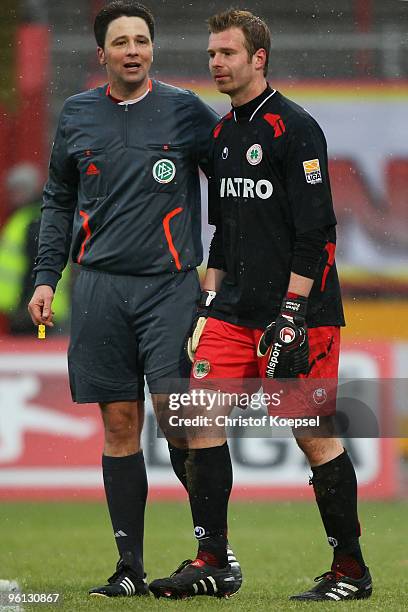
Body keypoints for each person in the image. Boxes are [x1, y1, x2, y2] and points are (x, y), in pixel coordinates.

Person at [149, 9, 372, 602]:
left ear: (258, 58)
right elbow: (220, 231)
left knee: (312, 434)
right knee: (196, 424)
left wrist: (293, 314)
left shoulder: (295, 129)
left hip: (297, 315)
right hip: (232, 312)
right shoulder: (221, 136)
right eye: (212, 54)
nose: (216, 63)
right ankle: (213, 561)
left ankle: (350, 570)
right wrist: (209, 301)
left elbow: (317, 233)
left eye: (227, 54)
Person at [27, 0, 243, 599]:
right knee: (119, 424)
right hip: (97, 287)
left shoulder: (185, 112)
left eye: (141, 41)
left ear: (152, 49)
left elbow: (229, 194)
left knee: (180, 421)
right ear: (102, 55)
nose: (132, 50)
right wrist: (46, 277)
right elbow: (57, 200)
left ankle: (215, 554)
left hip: (170, 286)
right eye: (120, 42)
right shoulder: (76, 115)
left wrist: (223, 272)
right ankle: (129, 569)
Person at [0, 162, 70, 334]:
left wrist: (26, 306)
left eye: (18, 189)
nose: (13, 195)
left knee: (37, 350)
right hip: (36, 308)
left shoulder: (33, 221)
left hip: (36, 311)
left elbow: (36, 266)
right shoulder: (28, 217)